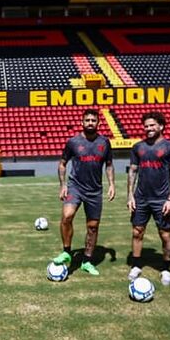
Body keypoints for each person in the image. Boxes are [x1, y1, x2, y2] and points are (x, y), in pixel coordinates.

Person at [51, 108, 115, 275]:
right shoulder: (73, 142)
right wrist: (63, 185)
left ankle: (87, 261)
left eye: (93, 120)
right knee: (67, 216)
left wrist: (112, 185)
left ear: (98, 123)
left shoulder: (104, 142)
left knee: (92, 227)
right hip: (75, 187)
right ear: (82, 122)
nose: (90, 123)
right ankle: (66, 252)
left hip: (95, 191)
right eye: (87, 120)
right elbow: (62, 163)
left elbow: (109, 165)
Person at [126, 111, 170, 285]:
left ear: (161, 126)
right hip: (141, 198)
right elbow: (133, 171)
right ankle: (136, 265)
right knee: (137, 232)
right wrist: (130, 195)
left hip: (161, 199)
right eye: (146, 126)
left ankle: (166, 268)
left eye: (152, 125)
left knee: (165, 234)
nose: (148, 128)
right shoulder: (138, 147)